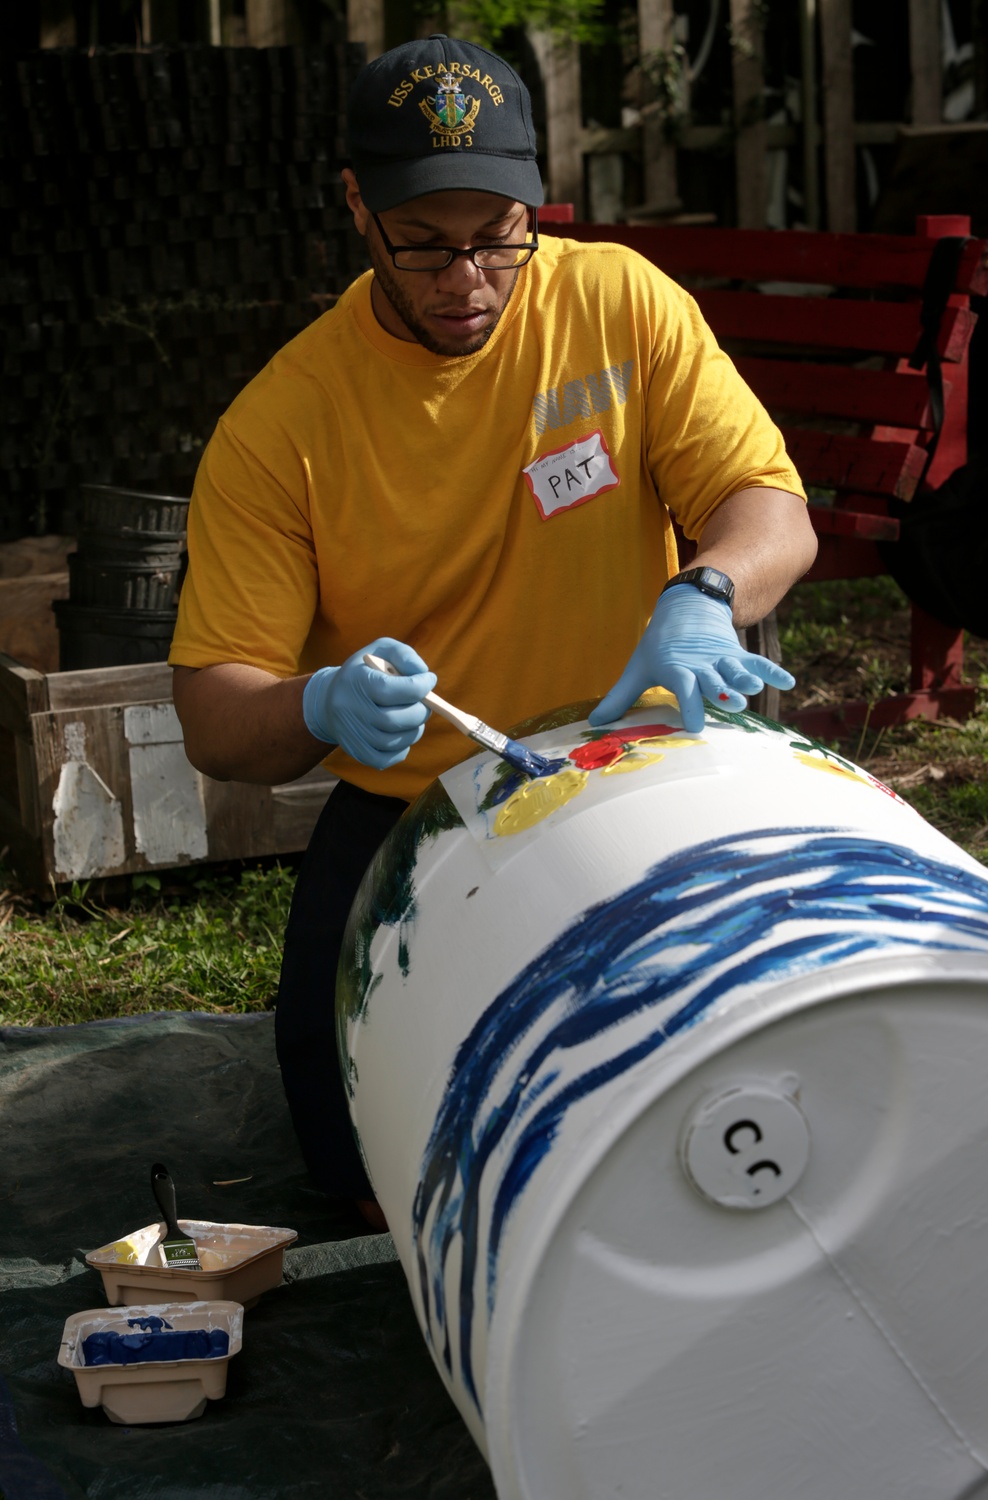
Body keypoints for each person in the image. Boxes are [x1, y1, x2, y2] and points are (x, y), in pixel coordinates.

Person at [169, 33, 818, 1227]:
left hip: (636, 758)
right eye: (422, 243)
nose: (466, 278)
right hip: (423, 805)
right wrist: (313, 706)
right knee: (345, 1139)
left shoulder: (617, 302)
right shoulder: (283, 427)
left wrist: (706, 590)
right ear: (356, 206)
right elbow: (216, 711)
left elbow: (769, 509)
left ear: (535, 203)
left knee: (732, 1049)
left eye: (497, 237)